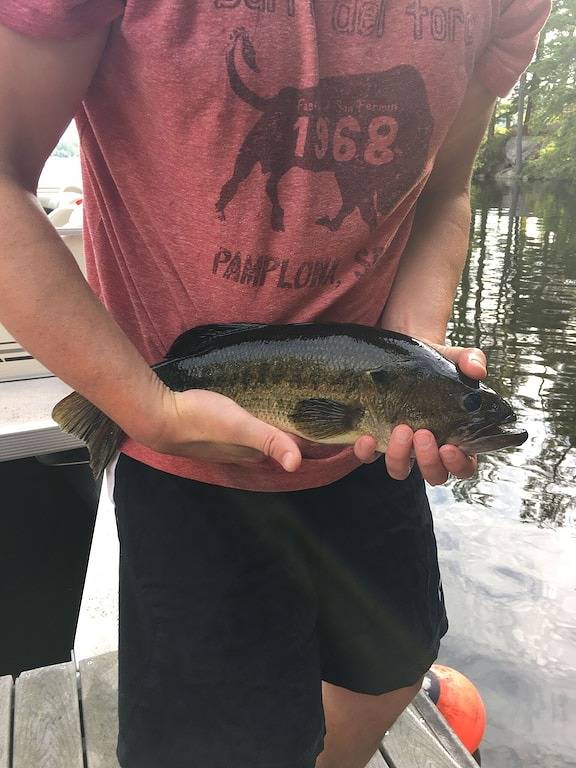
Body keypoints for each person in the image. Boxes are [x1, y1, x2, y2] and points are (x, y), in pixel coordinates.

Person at [0, 1, 550, 766]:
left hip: (367, 445)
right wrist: (143, 409)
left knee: (393, 659)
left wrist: (417, 350)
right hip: (188, 464)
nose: (480, 416)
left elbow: (443, 192)